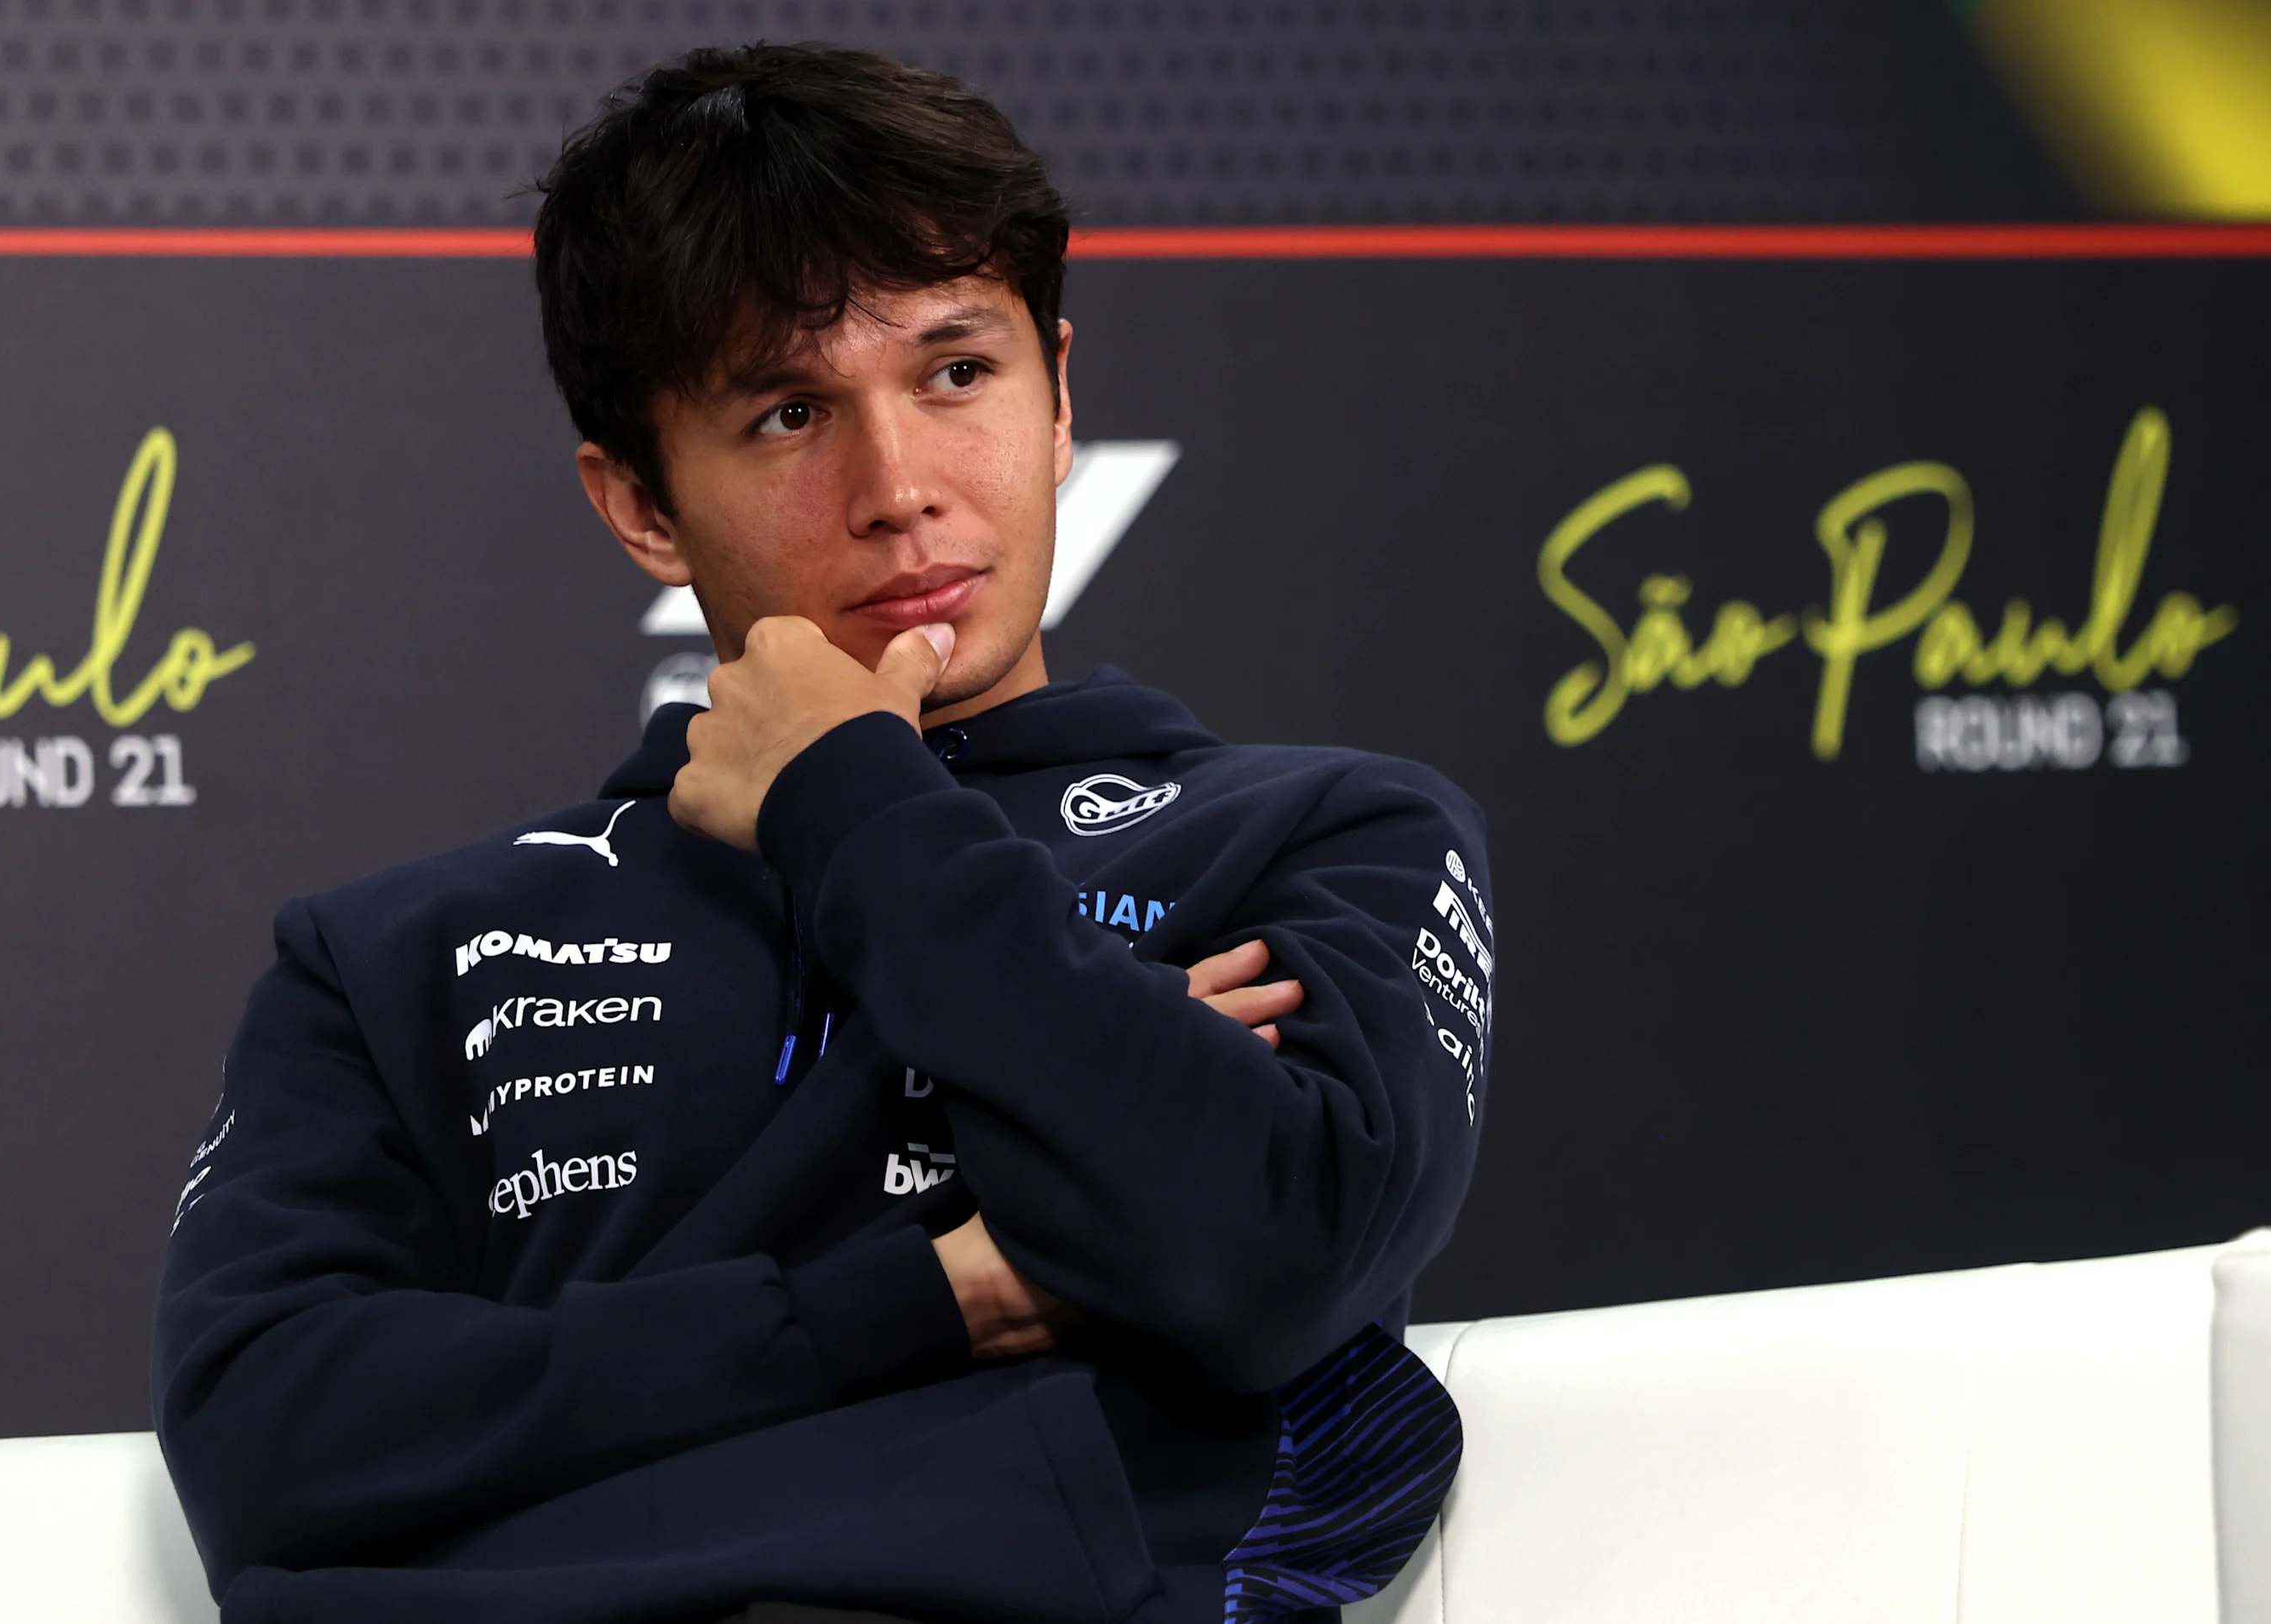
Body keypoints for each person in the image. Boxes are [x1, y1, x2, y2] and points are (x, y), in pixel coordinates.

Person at [152, 43, 1492, 1624]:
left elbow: (1263, 1260)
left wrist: (850, 801)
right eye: (789, 412)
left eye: (954, 372)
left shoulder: (1319, 837)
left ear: (1059, 397)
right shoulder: (393, 954)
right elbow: (269, 1446)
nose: (900, 485)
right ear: (641, 504)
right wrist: (949, 1291)